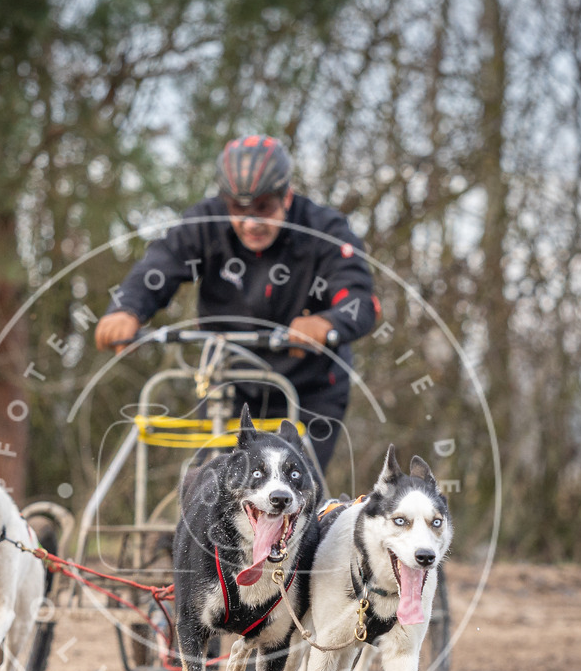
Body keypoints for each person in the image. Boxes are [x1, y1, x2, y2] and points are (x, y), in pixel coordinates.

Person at [94, 135, 378, 471]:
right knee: (216, 489)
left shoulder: (324, 229)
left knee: (291, 490)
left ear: (286, 196)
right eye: (238, 210)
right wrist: (128, 308)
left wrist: (328, 322)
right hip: (228, 383)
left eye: (263, 208)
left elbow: (360, 300)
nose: (251, 223)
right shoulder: (206, 221)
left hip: (308, 388)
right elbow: (162, 263)